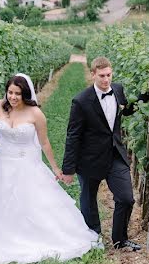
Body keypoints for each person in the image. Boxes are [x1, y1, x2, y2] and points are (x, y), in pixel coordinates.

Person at [0, 73, 101, 264]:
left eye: (17, 93)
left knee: (29, 204)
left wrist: (55, 167)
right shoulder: (0, 106)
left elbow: (44, 142)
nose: (13, 97)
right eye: (10, 92)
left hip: (26, 166)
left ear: (25, 94)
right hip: (0, 165)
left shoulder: (35, 114)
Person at [59, 57, 143, 251]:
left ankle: (119, 239)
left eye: (108, 75)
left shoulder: (118, 90)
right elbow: (73, 135)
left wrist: (146, 97)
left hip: (115, 155)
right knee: (89, 200)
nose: (106, 80)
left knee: (126, 198)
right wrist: (68, 169)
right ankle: (93, 238)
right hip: (89, 159)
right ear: (93, 74)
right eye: (102, 76)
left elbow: (127, 110)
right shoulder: (81, 101)